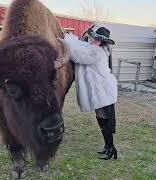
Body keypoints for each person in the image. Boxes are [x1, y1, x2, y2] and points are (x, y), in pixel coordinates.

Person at [60, 27, 118, 160]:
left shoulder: (96, 52)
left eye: (98, 39)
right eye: (94, 38)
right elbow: (82, 45)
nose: (94, 40)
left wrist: (67, 40)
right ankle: (109, 147)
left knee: (105, 120)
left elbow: (77, 55)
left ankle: (110, 148)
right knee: (102, 119)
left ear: (103, 42)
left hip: (103, 91)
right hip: (102, 91)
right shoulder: (93, 48)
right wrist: (70, 37)